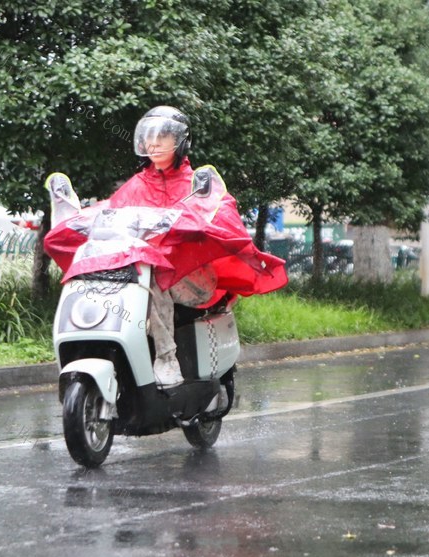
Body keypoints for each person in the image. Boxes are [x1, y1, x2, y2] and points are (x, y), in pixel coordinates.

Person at [44, 105, 287, 387]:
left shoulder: (197, 184)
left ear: (180, 143)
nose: (154, 143)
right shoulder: (135, 185)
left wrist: (198, 222)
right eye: (149, 137)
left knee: (154, 276)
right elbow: (109, 211)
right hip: (144, 274)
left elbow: (223, 215)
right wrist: (76, 216)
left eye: (163, 137)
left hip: (191, 277)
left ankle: (167, 359)